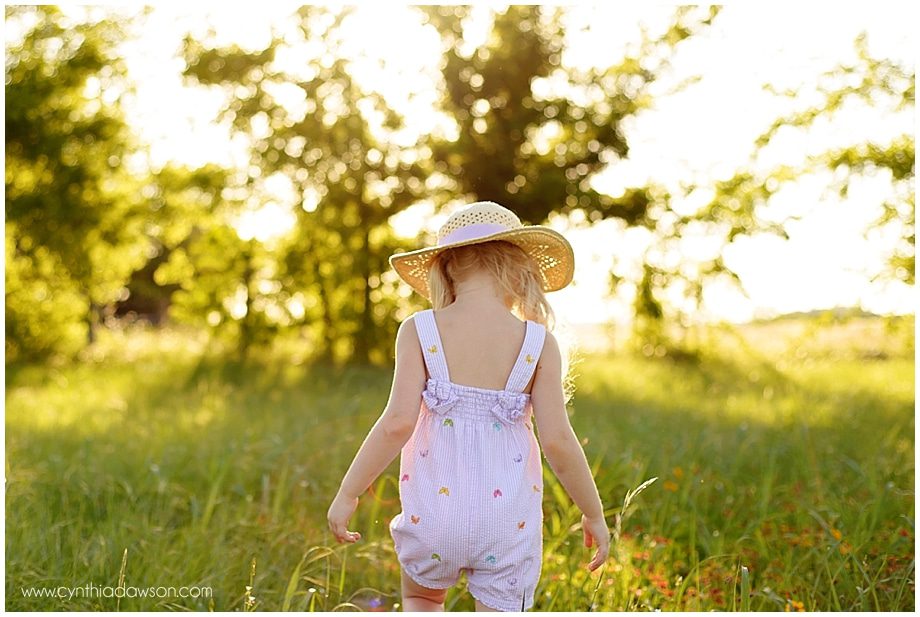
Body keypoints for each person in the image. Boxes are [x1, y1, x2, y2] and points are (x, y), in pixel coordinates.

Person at [327, 201, 609, 612]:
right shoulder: (538, 342)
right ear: (518, 268)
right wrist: (593, 513)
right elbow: (559, 441)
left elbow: (396, 424)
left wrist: (349, 492)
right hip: (506, 525)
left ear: (446, 270)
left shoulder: (419, 330)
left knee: (421, 598)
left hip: (433, 519)